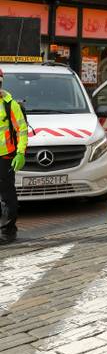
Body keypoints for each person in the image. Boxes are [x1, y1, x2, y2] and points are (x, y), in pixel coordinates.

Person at [0, 68, 28, 245]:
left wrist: (20, 152)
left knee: (7, 195)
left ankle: (8, 232)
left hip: (5, 157)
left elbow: (22, 130)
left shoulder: (10, 104)